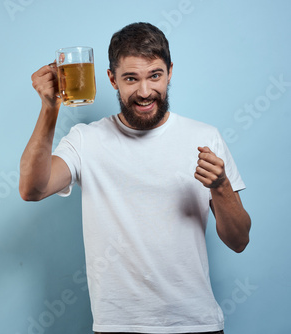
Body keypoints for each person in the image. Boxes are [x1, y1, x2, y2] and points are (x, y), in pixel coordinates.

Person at [19, 22, 251, 334]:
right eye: (131, 78)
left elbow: (239, 241)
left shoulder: (205, 137)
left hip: (195, 325)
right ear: (112, 79)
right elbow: (32, 189)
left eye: (155, 75)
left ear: (170, 72)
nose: (144, 92)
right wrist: (50, 107)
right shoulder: (86, 140)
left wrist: (221, 185)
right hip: (117, 326)